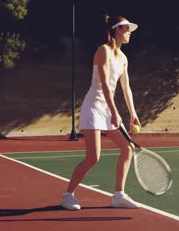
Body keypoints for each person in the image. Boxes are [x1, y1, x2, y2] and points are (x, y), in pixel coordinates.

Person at [60, 15, 141, 210]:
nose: (130, 33)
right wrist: (114, 111)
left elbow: (126, 87)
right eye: (126, 29)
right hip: (94, 106)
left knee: (128, 148)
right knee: (93, 157)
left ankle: (118, 196)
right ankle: (68, 195)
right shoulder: (103, 51)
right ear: (117, 30)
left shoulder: (123, 59)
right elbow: (104, 84)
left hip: (108, 108)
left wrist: (133, 113)